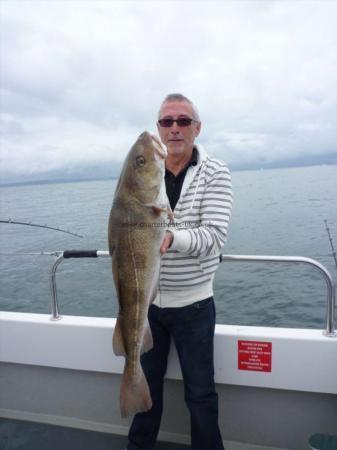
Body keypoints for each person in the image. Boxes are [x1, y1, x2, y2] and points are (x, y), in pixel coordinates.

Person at [126, 93, 233, 450]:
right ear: (159, 128)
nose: (174, 128)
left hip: (195, 306)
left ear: (197, 128)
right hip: (149, 304)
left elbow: (214, 237)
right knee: (148, 390)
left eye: (183, 121)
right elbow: (127, 225)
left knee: (201, 395)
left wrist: (173, 236)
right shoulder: (145, 172)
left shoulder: (215, 172)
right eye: (166, 121)